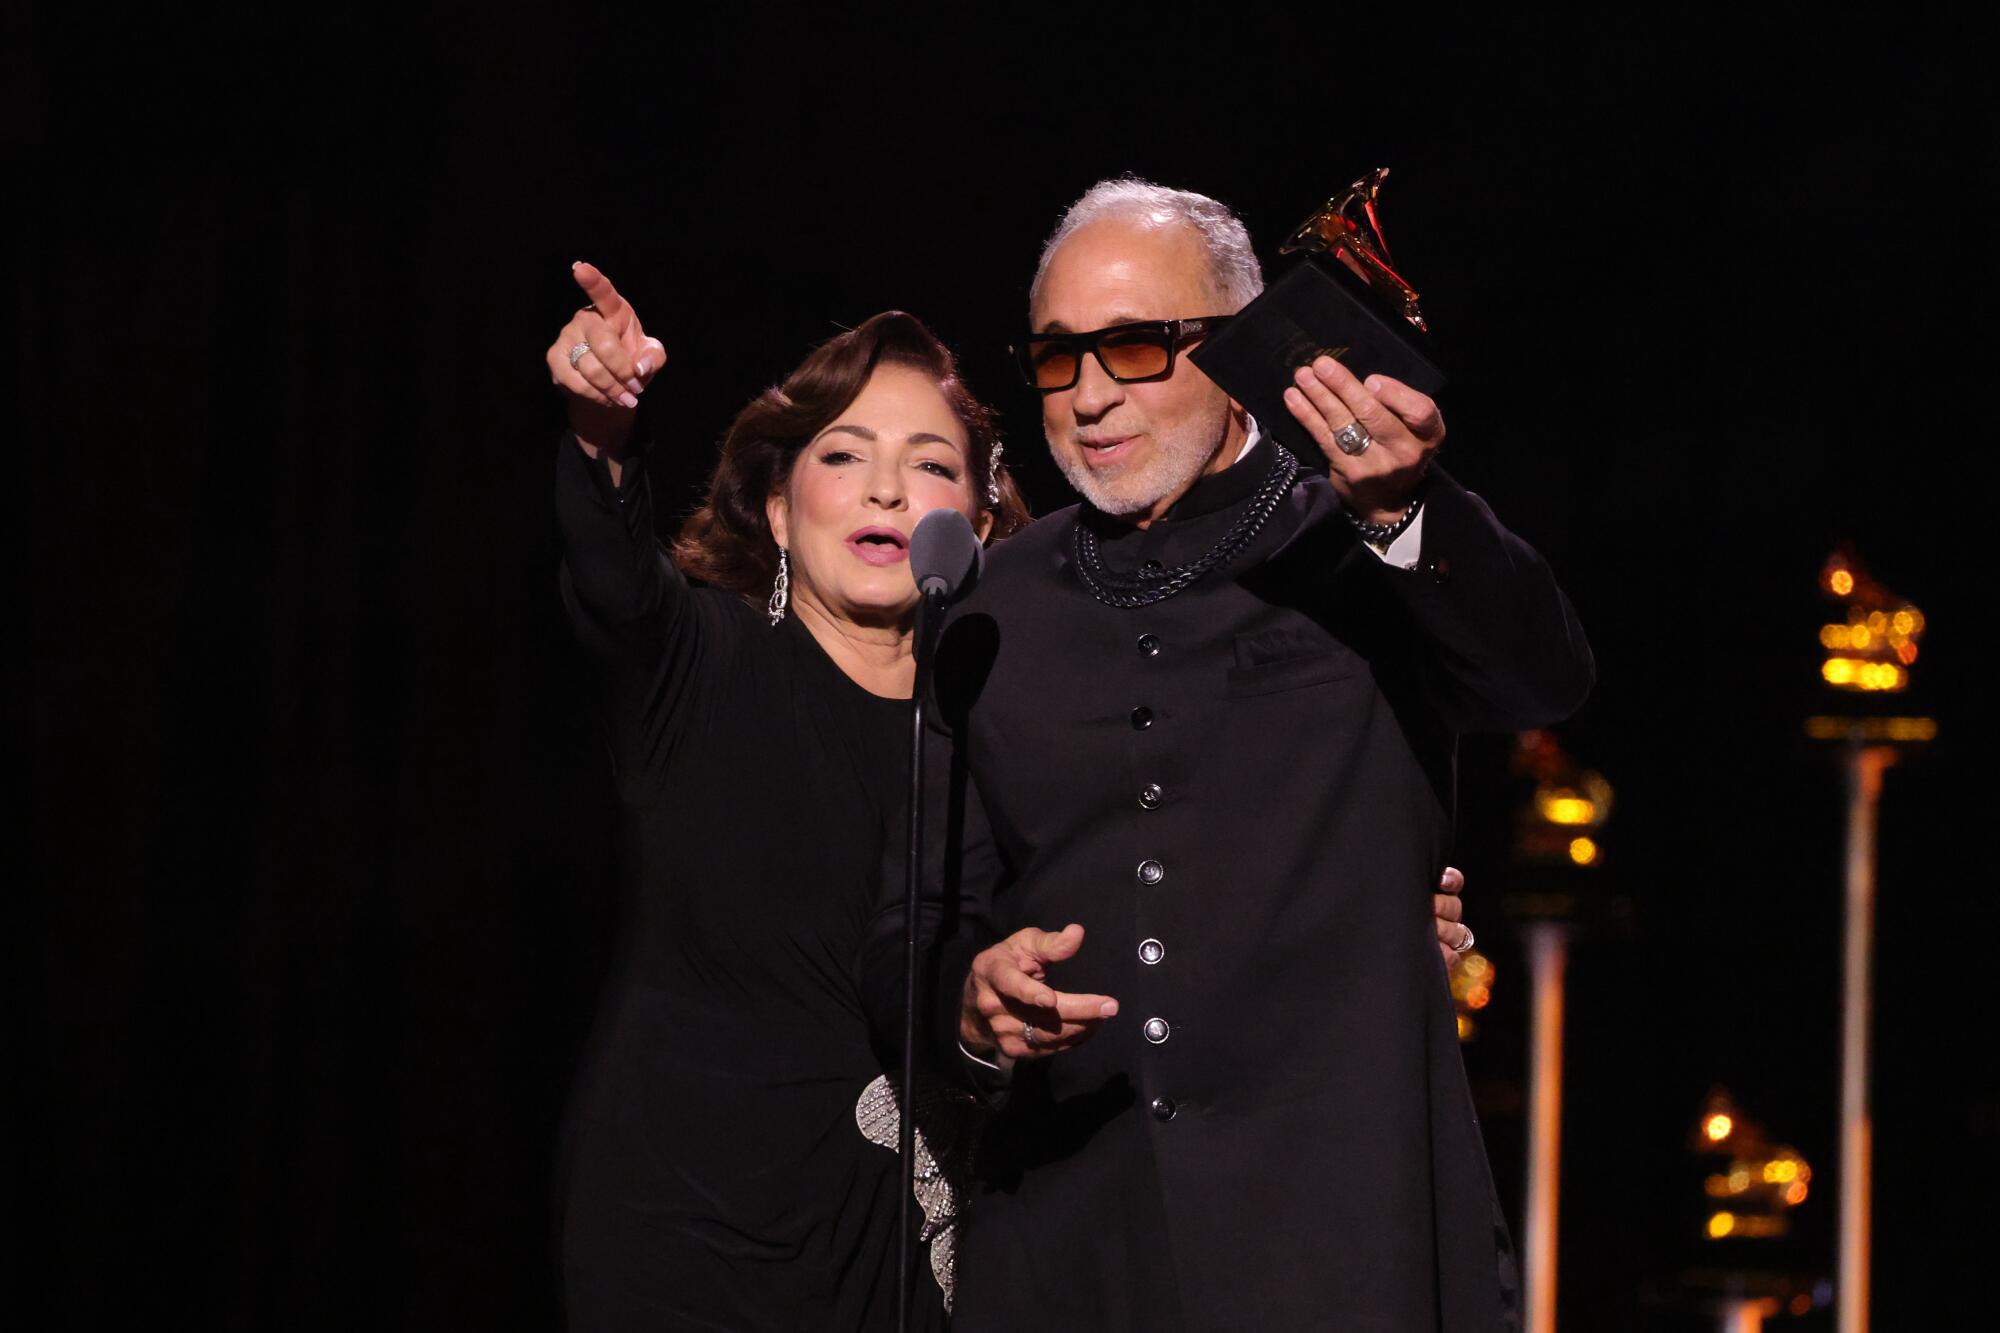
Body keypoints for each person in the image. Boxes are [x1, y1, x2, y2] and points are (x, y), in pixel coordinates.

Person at [867, 179, 1594, 1332]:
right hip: (1071, 1246)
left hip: (1346, 1243)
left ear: (1244, 347)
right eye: (1058, 357)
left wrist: (1409, 508)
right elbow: (917, 915)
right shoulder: (988, 605)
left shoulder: (1361, 546)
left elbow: (1541, 678)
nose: (1090, 396)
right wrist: (970, 1002)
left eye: (1136, 347)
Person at [545, 264, 1029, 1329]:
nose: (885, 492)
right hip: (686, 1237)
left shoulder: (1016, 740)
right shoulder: (698, 666)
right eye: (843, 456)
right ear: (775, 505)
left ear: (982, 522)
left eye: (930, 465)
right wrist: (600, 426)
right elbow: (613, 577)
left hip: (910, 1255)